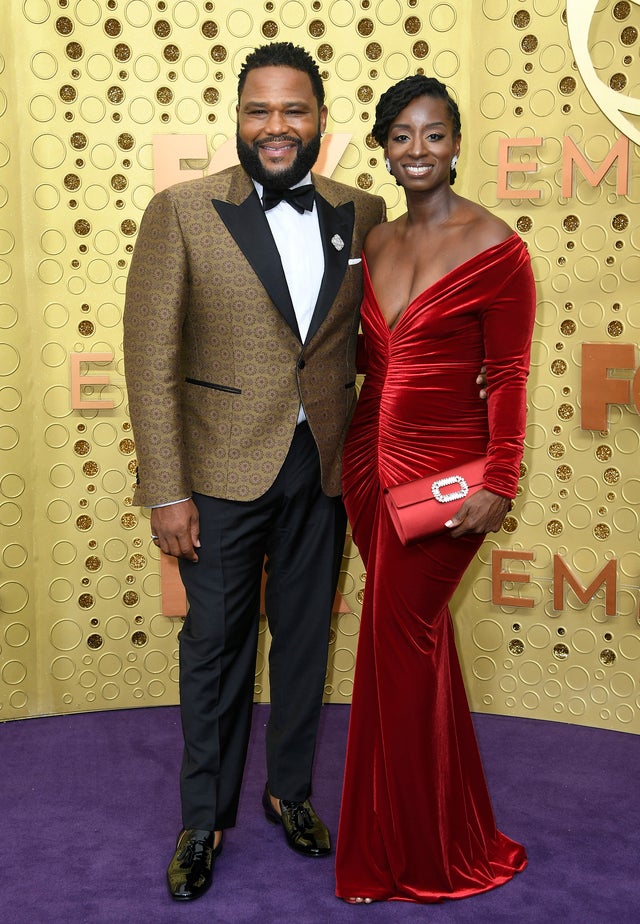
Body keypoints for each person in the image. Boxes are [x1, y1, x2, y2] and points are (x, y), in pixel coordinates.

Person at [123, 42, 386, 902]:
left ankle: (291, 794)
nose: (277, 127)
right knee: (216, 651)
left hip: (323, 471)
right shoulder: (183, 211)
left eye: (294, 110)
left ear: (320, 120)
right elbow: (150, 360)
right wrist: (166, 488)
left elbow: (376, 347)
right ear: (239, 118)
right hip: (219, 472)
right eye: (259, 111)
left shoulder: (363, 211)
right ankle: (204, 820)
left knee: (307, 646)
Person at [334, 74, 536, 904]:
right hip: (365, 470)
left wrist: (501, 479)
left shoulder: (499, 247)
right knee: (410, 652)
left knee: (398, 644)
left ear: (457, 143)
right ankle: (437, 825)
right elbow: (356, 357)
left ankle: (418, 853)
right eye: (402, 136)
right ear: (385, 147)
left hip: (448, 480)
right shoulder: (373, 241)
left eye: (435, 135)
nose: (418, 151)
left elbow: (511, 375)